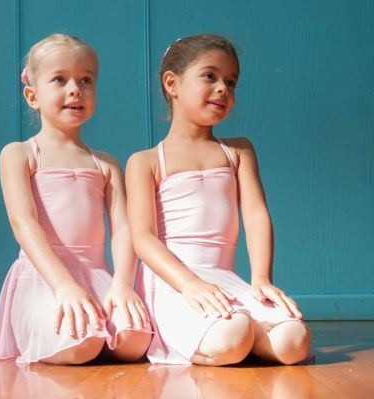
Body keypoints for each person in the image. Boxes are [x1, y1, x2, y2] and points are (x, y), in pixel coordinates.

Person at [126, 33, 311, 365]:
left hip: (222, 277)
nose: (223, 88)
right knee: (231, 337)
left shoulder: (238, 151)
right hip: (174, 281)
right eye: (210, 76)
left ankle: (244, 334)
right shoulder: (146, 161)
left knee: (294, 341)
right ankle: (225, 338)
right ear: (173, 83)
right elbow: (142, 237)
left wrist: (261, 279)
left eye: (231, 81)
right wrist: (189, 284)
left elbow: (256, 215)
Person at [0, 34, 151, 365]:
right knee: (84, 343)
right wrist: (63, 285)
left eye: (85, 80)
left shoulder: (105, 164)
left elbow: (123, 229)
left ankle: (101, 317)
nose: (75, 89)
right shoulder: (19, 154)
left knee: (135, 342)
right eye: (60, 80)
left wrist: (122, 284)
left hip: (97, 273)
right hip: (45, 276)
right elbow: (24, 222)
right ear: (32, 96)